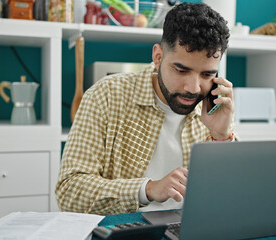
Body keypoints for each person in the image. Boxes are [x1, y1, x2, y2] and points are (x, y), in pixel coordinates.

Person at [56, 2, 235, 215]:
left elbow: (234, 199)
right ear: (158, 57)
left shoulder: (215, 107)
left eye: (207, 75)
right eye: (181, 70)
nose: (193, 88)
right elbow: (69, 191)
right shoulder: (106, 96)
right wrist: (148, 189)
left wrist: (221, 136)